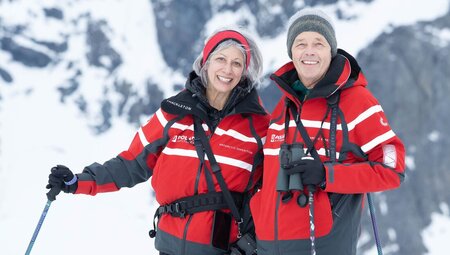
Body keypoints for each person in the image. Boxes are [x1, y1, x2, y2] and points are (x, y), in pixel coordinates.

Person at [46, 27, 270, 255]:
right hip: (168, 248)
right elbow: (131, 164)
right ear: (205, 63)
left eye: (236, 63)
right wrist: (77, 182)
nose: (227, 69)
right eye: (220, 59)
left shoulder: (259, 127)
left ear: (244, 72)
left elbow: (273, 196)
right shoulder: (173, 114)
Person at [249, 9, 405, 255]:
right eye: (300, 44)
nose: (308, 51)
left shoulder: (357, 101)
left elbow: (392, 168)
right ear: (292, 53)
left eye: (318, 43)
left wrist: (327, 175)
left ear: (330, 52)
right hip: (268, 248)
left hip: (323, 247)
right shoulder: (284, 106)